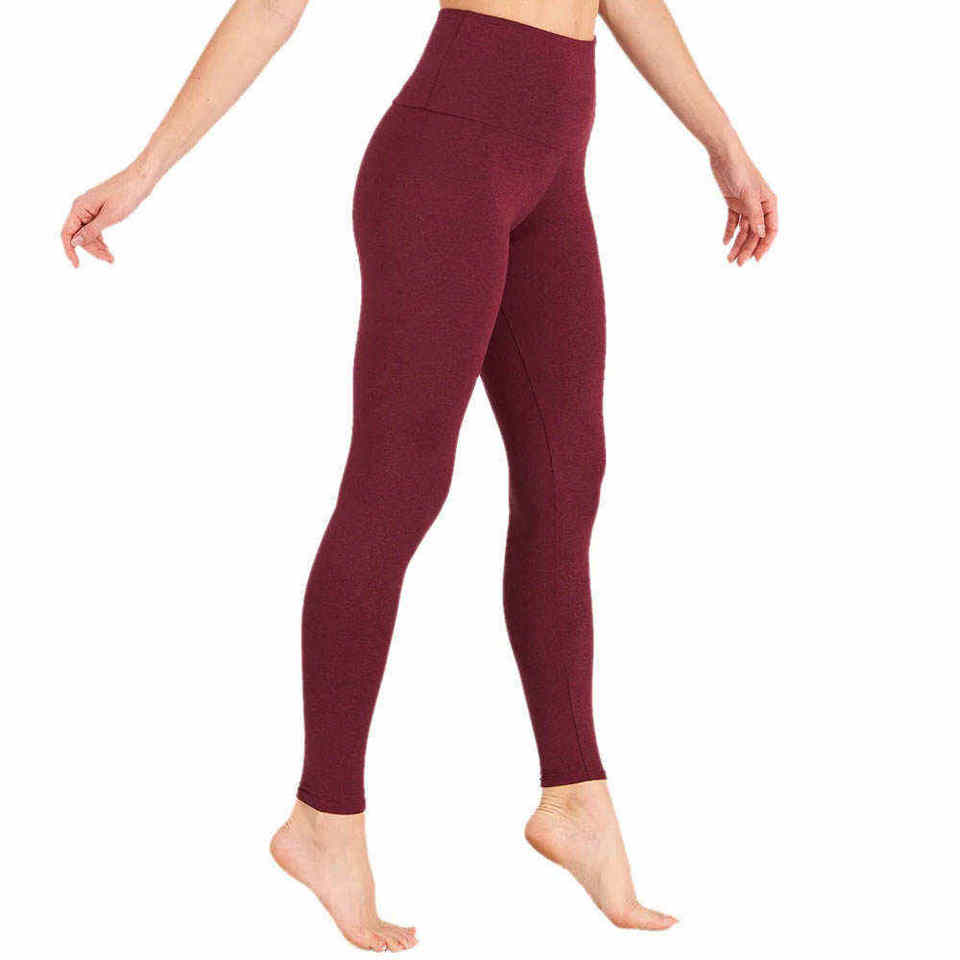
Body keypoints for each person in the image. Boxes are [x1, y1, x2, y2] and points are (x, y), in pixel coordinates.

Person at [62, 0, 777, 951]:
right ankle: (323, 817)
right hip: (445, 165)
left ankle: (575, 796)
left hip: (556, 167)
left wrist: (723, 143)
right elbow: (273, 5)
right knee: (399, 485)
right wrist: (145, 169)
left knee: (569, 478)